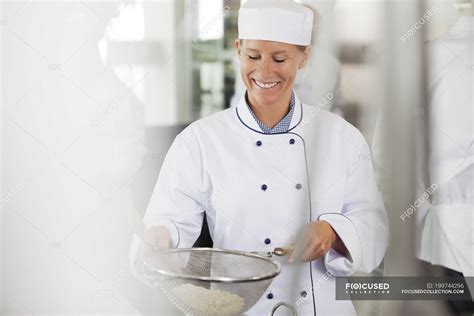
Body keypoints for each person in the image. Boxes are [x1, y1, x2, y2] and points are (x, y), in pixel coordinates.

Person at [130, 1, 388, 315]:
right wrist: (161, 238)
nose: (264, 72)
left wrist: (333, 233)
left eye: (280, 58)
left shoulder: (343, 139)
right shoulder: (200, 141)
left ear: (304, 57)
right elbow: (166, 221)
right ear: (238, 49)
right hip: (239, 308)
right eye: (253, 56)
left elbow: (374, 231)